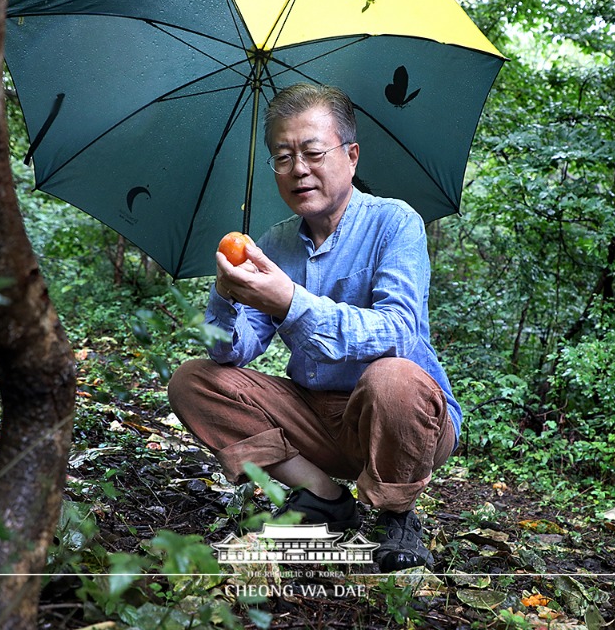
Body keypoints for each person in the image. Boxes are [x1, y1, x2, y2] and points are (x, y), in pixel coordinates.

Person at [168, 83, 461, 571]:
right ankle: (323, 496)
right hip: (315, 417)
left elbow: (398, 332)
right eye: (282, 157)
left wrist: (292, 303)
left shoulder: (394, 223)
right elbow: (231, 353)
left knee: (394, 377)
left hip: (400, 419)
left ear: (351, 155)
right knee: (193, 380)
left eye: (312, 152)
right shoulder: (273, 244)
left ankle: (398, 515)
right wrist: (223, 293)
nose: (298, 169)